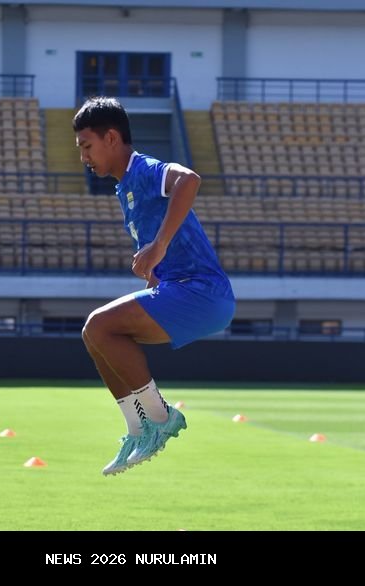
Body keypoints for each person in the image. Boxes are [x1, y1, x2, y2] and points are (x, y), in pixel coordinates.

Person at [73, 97, 236, 476]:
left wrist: (158, 246)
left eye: (86, 146)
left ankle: (161, 418)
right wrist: (154, 270)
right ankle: (138, 429)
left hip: (202, 292)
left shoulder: (144, 169)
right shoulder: (124, 187)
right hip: (183, 289)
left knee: (99, 324)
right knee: (96, 335)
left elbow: (189, 180)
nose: (83, 157)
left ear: (111, 138)